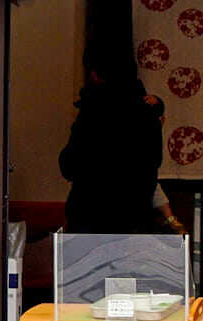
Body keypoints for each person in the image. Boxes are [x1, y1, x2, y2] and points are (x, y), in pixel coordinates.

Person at [58, 42, 182, 235]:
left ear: (95, 74)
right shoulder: (147, 112)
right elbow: (153, 164)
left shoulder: (92, 112)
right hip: (134, 221)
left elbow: (69, 166)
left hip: (90, 219)